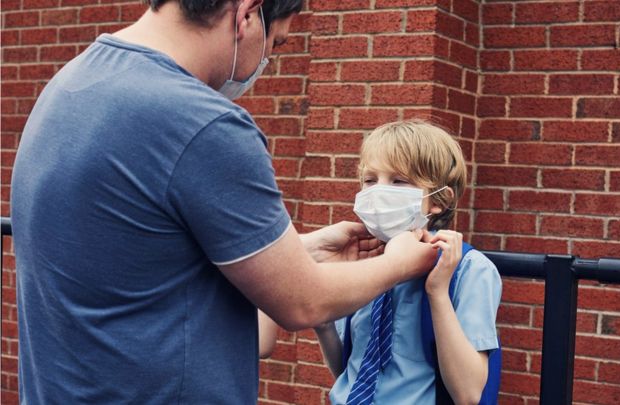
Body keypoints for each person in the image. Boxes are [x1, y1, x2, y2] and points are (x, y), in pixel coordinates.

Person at [9, 0, 438, 403]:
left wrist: (299, 250)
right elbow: (302, 302)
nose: (265, 62)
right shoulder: (201, 122)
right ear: (247, 14)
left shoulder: (72, 83)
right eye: (276, 43)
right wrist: (402, 261)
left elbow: (135, 255)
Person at [314, 120, 502, 405]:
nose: (379, 191)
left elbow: (468, 394)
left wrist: (437, 292)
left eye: (398, 181)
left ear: (438, 199)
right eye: (370, 179)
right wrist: (324, 323)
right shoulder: (365, 260)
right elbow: (349, 370)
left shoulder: (469, 269)